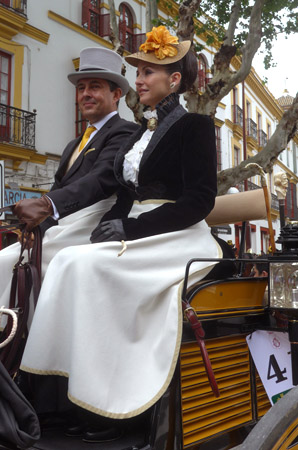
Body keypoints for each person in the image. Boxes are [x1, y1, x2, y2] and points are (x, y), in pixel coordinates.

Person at [20, 26, 222, 443]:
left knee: (81, 266)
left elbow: (199, 201)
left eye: (149, 72)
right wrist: (108, 227)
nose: (141, 80)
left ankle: (115, 409)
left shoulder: (196, 127)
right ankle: (72, 397)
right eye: (140, 72)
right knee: (71, 259)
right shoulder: (143, 133)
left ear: (175, 81)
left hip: (177, 233)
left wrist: (129, 228)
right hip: (138, 229)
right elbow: (126, 197)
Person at [0, 47, 138, 308]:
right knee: (7, 258)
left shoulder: (125, 132)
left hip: (95, 225)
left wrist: (44, 204)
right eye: (81, 87)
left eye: (94, 87)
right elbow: (58, 187)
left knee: (10, 262)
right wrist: (35, 229)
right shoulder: (73, 145)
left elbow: (101, 180)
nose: (85, 94)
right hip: (66, 227)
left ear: (116, 94)